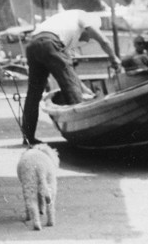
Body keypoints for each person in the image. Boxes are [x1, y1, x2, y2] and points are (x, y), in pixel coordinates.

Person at [21, 9, 122, 145]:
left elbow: (70, 73)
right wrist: (114, 58)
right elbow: (104, 42)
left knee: (33, 94)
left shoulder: (66, 26)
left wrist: (85, 89)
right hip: (49, 43)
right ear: (88, 29)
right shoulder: (85, 17)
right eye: (89, 36)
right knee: (71, 89)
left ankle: (28, 137)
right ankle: (85, 136)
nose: (87, 39)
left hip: (33, 44)